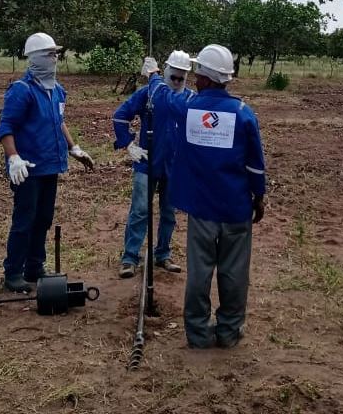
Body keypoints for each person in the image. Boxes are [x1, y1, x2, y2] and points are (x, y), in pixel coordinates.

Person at [143, 44, 266, 349]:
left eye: (199, 73)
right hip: (236, 209)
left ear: (208, 79)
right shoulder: (243, 113)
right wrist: (259, 197)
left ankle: (198, 334)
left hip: (201, 210)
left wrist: (155, 74)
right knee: (234, 274)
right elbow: (255, 163)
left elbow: (163, 96)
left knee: (199, 273)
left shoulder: (189, 109)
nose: (194, 78)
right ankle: (228, 332)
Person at [0, 32, 94, 293]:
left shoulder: (57, 90)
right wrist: (13, 157)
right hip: (28, 168)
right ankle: (13, 272)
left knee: (43, 219)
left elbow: (58, 122)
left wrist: (74, 148)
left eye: (56, 55)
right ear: (36, 58)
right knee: (24, 220)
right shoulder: (22, 91)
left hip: (50, 165)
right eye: (50, 55)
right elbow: (6, 127)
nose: (55, 59)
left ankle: (34, 266)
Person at [112, 50, 193, 279]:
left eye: (181, 79)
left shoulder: (188, 99)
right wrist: (128, 144)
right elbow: (120, 116)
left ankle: (163, 254)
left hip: (175, 167)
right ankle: (130, 257)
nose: (177, 82)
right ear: (166, 72)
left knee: (169, 213)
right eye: (173, 77)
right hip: (147, 162)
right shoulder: (148, 94)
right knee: (139, 211)